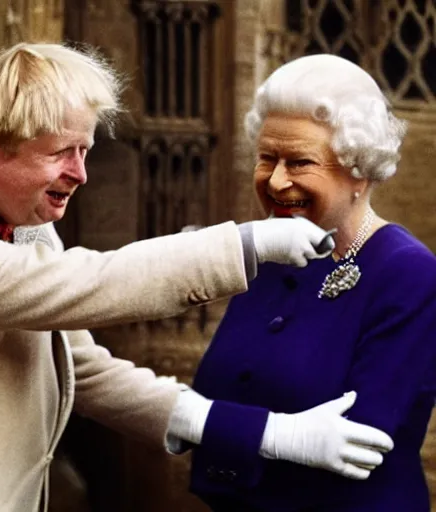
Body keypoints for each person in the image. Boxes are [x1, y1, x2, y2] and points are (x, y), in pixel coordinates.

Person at [0, 44, 393, 512]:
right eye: (62, 153)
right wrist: (244, 244)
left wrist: (273, 434)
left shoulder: (28, 229)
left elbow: (85, 372)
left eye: (84, 151)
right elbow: (93, 282)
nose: (81, 174)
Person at [185, 53, 436, 511]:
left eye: (299, 162)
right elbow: (214, 389)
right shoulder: (273, 253)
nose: (277, 181)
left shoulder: (408, 273)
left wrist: (200, 424)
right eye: (267, 158)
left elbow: (358, 445)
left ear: (359, 168)